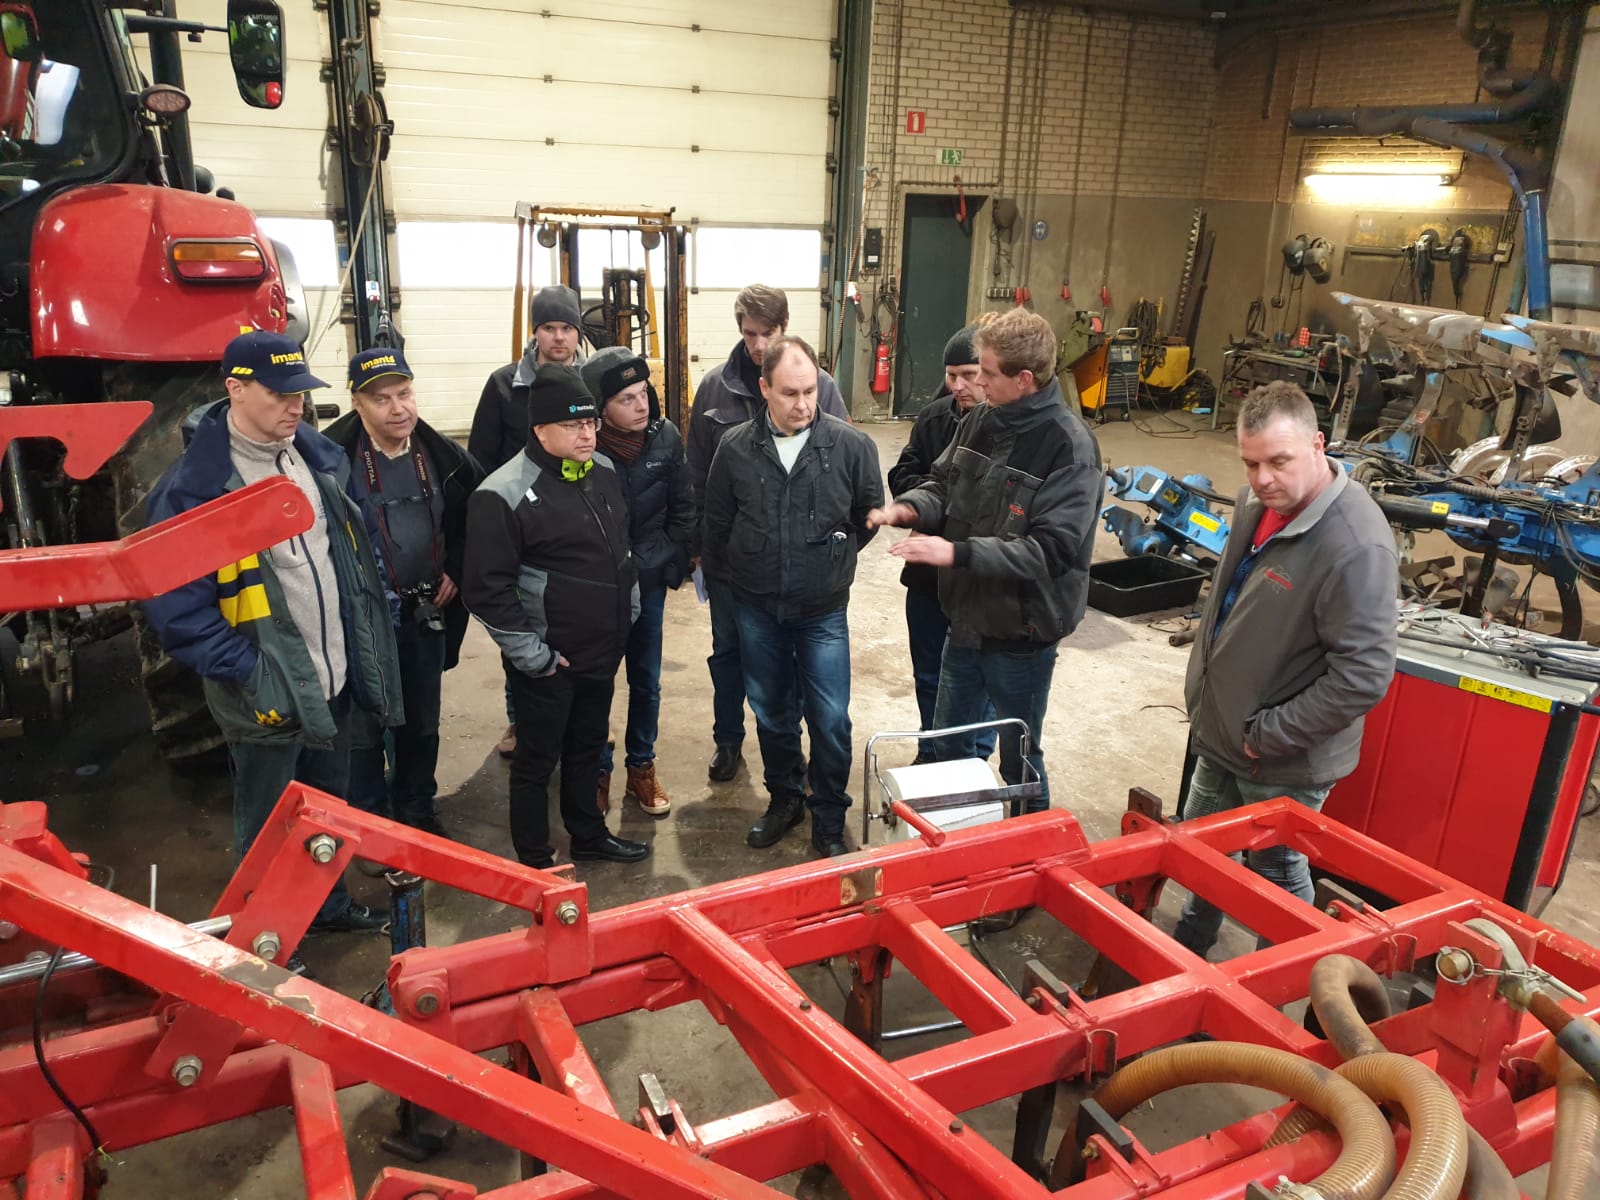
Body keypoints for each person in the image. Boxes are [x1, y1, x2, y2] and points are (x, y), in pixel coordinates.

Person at [142, 331, 401, 968]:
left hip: (333, 674)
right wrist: (250, 671)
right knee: (267, 825)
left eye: (301, 394)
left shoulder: (315, 461)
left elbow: (356, 548)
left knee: (328, 809)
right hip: (264, 690)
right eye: (279, 394)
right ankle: (262, 943)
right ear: (234, 389)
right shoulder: (194, 489)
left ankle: (330, 906)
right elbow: (174, 607)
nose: (295, 407)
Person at [1171, 381, 1399, 959]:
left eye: (1279, 461)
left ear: (1318, 445)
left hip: (1279, 753)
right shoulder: (1258, 504)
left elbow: (1365, 674)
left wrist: (1266, 735)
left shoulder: (1355, 544)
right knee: (1201, 850)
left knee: (1275, 870)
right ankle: (1189, 950)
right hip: (1223, 729)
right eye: (1250, 463)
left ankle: (1298, 979)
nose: (1263, 478)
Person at [868, 308, 1103, 815]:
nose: (976, 383)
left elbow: (1051, 550)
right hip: (966, 622)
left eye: (988, 373)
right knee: (950, 744)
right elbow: (942, 483)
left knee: (1019, 758)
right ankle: (961, 849)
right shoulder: (980, 420)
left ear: (1023, 379)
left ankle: (1030, 856)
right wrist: (910, 507)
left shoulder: (1070, 449)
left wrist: (956, 552)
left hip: (1022, 633)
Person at [462, 364, 649, 868]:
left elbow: (621, 550)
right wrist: (534, 656)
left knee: (587, 750)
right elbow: (485, 590)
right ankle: (535, 858)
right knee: (536, 762)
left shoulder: (602, 473)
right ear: (540, 429)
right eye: (573, 425)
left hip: (601, 652)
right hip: (550, 662)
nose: (587, 434)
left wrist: (626, 612)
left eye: (590, 422)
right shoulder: (501, 494)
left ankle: (588, 836)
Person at [703, 336, 883, 857]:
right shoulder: (735, 448)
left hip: (822, 610)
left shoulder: (852, 448)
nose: (803, 404)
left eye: (811, 391)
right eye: (789, 393)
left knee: (831, 719)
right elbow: (717, 525)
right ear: (764, 389)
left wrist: (828, 558)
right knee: (773, 713)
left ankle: (828, 814)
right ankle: (786, 799)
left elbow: (867, 516)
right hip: (756, 607)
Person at [686, 285, 851, 785]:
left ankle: (794, 759)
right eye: (750, 334)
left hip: (797, 564)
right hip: (733, 565)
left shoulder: (817, 385)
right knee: (728, 654)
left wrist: (829, 549)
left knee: (795, 661)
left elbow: (841, 474)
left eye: (768, 334)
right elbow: (696, 474)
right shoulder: (715, 388)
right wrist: (699, 553)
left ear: (784, 327)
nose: (758, 346)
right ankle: (728, 741)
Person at [325, 346, 485, 840]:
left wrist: (456, 568)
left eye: (405, 394)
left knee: (421, 720)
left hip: (425, 611)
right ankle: (372, 823)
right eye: (382, 400)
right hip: (362, 620)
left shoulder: (445, 457)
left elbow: (474, 517)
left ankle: (417, 809)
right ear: (357, 404)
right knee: (364, 726)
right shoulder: (329, 460)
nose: (399, 409)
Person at [468, 283, 587, 759]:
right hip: (520, 527)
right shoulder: (504, 386)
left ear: (578, 332)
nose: (558, 337)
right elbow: (480, 459)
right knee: (520, 630)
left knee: (578, 627)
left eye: (566, 328)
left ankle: (580, 720)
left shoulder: (592, 381)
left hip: (575, 523)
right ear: (534, 332)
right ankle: (520, 722)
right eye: (548, 327)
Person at [580, 347, 695, 818]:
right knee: (596, 683)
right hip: (597, 589)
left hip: (646, 580)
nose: (641, 405)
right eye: (626, 399)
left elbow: (683, 507)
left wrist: (668, 564)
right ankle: (597, 770)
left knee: (646, 681)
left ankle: (641, 769)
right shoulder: (584, 446)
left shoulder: (665, 437)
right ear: (600, 407)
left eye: (643, 392)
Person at [885, 321, 996, 762]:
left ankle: (973, 760)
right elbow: (902, 475)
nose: (959, 386)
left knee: (977, 677)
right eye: (952, 375)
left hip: (978, 578)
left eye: (969, 375)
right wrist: (930, 499)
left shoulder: (1011, 431)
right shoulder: (936, 417)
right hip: (928, 578)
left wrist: (945, 511)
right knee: (929, 672)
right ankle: (932, 749)